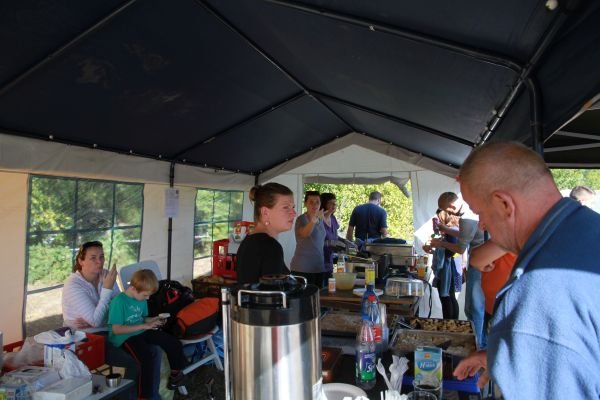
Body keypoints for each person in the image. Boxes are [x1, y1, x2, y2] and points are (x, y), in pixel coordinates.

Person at [453, 142, 600, 400]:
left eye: (480, 213)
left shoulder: (540, 291)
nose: (483, 224)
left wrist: (528, 344)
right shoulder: (586, 228)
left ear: (504, 204)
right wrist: (514, 355)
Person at [62, 241, 162, 398]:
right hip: (86, 337)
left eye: (101, 257)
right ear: (81, 261)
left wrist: (97, 317)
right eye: (93, 258)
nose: (99, 261)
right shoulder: (73, 285)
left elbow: (119, 307)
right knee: (130, 362)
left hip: (110, 329)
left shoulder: (105, 275)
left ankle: (151, 396)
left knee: (154, 350)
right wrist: (107, 289)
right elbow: (97, 321)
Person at [108, 269, 187, 399]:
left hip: (141, 331)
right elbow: (116, 329)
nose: (148, 298)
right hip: (124, 337)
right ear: (133, 288)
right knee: (146, 358)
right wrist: (145, 326)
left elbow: (142, 318)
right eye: (145, 295)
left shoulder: (141, 299)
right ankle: (143, 396)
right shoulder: (119, 301)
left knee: (173, 342)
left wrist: (155, 320)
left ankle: (175, 375)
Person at [430, 192, 486, 348]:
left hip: (479, 264)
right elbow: (465, 235)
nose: (446, 213)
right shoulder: (469, 215)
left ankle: (477, 344)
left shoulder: (467, 218)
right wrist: (445, 229)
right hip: (478, 262)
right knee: (471, 307)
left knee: (475, 307)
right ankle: (477, 340)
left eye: (445, 210)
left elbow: (460, 248)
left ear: (451, 206)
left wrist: (441, 244)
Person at [235, 183, 296, 284]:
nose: (294, 213)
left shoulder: (249, 240)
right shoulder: (270, 247)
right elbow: (274, 292)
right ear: (265, 212)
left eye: (293, 207)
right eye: (286, 207)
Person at [424, 209, 460, 319]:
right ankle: (453, 323)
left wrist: (438, 245)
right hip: (452, 267)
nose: (438, 220)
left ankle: (449, 323)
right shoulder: (452, 230)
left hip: (449, 268)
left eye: (439, 217)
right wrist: (434, 247)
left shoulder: (451, 231)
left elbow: (450, 252)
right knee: (450, 297)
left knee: (446, 298)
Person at [290, 191, 327, 287]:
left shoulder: (320, 219)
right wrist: (313, 220)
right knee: (303, 296)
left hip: (318, 267)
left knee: (318, 295)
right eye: (311, 202)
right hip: (302, 268)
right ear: (305, 203)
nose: (314, 205)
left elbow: (319, 240)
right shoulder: (301, 219)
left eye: (317, 202)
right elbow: (305, 234)